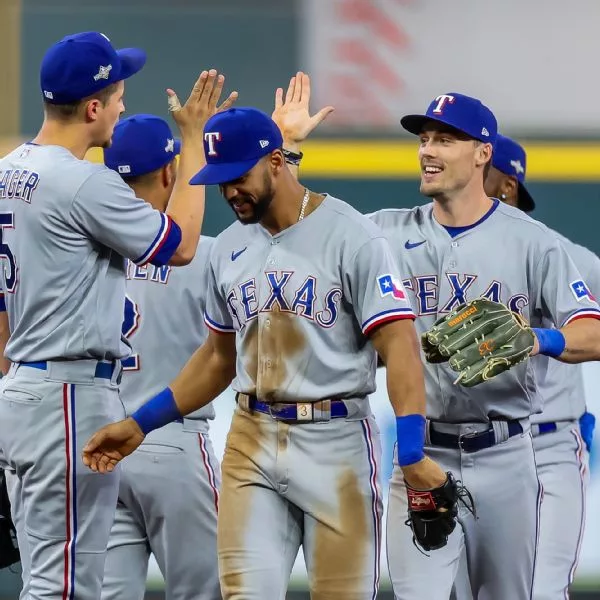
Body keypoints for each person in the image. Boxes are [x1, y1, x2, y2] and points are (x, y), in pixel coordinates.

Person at [82, 79, 453, 599]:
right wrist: (141, 423)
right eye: (221, 181)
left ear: (278, 161)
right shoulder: (229, 247)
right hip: (251, 439)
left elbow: (400, 344)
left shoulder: (351, 235)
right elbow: (216, 359)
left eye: (240, 176)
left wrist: (411, 450)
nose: (231, 191)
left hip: (337, 441)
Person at [0, 29, 234, 600]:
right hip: (68, 394)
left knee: (49, 580)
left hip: (21, 391)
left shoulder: (6, 171)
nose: (125, 106)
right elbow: (178, 245)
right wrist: (193, 137)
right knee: (66, 588)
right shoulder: (82, 183)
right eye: (120, 95)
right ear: (93, 106)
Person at [367, 93, 600, 600]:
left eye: (445, 139)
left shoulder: (535, 242)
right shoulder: (382, 232)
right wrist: (289, 150)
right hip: (422, 453)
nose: (428, 149)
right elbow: (310, 233)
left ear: (482, 153)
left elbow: (593, 331)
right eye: (424, 139)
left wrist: (537, 337)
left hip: (509, 453)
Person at [451, 134, 598, 600]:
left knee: (542, 592)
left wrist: (545, 340)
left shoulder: (566, 256)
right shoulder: (442, 252)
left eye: (482, 169)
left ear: (506, 186)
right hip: (470, 449)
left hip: (549, 445)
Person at [100, 114, 221, 600]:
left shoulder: (87, 250)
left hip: (100, 442)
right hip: (173, 438)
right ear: (171, 173)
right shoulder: (206, 254)